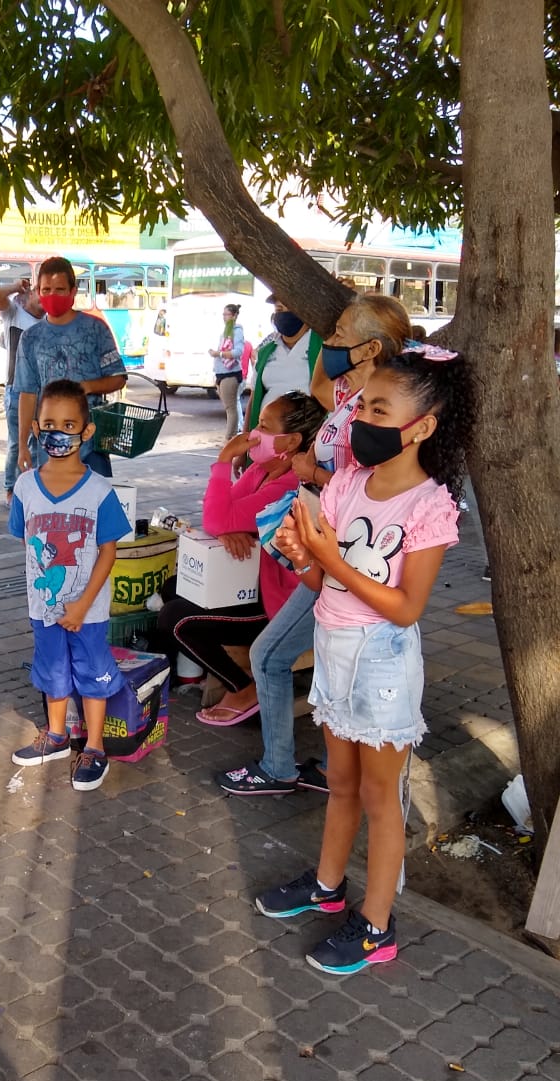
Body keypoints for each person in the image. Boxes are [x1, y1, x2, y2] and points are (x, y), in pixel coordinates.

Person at [256, 348, 475, 974]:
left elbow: (405, 607)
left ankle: (378, 924)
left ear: (422, 427)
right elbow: (320, 580)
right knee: (341, 783)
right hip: (332, 649)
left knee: (382, 797)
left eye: (378, 408)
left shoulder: (431, 507)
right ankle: (327, 888)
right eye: (360, 406)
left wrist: (331, 559)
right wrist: (302, 553)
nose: (360, 419)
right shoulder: (348, 481)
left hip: (382, 664)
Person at [218, 293, 412, 797]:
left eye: (341, 333)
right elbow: (321, 383)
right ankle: (326, 771)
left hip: (343, 557)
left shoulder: (384, 412)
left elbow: (375, 488)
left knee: (268, 656)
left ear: (370, 349)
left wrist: (314, 473)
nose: (329, 340)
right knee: (328, 663)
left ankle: (284, 767)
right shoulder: (350, 397)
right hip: (321, 547)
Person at [156, 392, 326, 723]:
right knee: (175, 587)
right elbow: (217, 514)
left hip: (276, 605)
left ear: (291, 441)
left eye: (263, 426)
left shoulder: (289, 484)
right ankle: (218, 672)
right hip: (248, 585)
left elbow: (219, 516)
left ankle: (245, 688)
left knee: (175, 619)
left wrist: (223, 460)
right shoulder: (261, 471)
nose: (252, 434)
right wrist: (229, 529)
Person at [9, 379, 131, 792]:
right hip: (43, 607)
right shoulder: (25, 487)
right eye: (48, 424)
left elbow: (108, 553)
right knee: (52, 670)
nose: (57, 433)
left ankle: (94, 747)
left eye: (68, 424)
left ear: (87, 430)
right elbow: (29, 543)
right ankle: (57, 736)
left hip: (89, 613)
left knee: (93, 673)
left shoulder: (99, 491)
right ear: (35, 428)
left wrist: (80, 606)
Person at [15, 256, 127, 480]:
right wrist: (22, 446)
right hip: (49, 446)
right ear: (38, 291)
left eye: (59, 289)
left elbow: (118, 377)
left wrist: (86, 387)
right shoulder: (30, 338)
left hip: (91, 443)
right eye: (46, 290)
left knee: (96, 506)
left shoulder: (95, 329)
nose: (52, 296)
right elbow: (27, 394)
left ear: (73, 291)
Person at [242, 296, 324, 436]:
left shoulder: (322, 346)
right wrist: (246, 438)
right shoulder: (266, 351)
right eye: (278, 309)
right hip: (266, 438)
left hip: (307, 438)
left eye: (289, 308)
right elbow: (254, 398)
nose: (283, 314)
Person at [0, 278, 44, 504]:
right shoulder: (14, 314)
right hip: (16, 388)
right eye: (41, 292)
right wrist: (15, 286)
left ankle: (29, 487)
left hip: (41, 391)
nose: (44, 299)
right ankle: (11, 490)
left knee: (37, 442)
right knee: (17, 442)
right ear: (31, 293)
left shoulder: (48, 321)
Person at [209, 303, 246, 440]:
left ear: (234, 316)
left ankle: (230, 437)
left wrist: (219, 354)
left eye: (227, 314)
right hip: (221, 372)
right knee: (229, 407)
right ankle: (231, 436)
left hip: (230, 373)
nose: (224, 317)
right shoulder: (226, 331)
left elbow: (238, 352)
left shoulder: (237, 331)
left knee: (231, 408)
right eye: (223, 314)